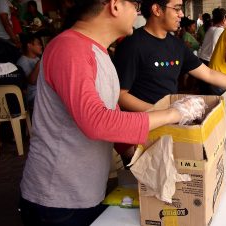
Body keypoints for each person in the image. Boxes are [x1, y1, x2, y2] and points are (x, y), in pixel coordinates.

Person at [19, 1, 206, 225]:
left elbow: (111, 114)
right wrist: (175, 113)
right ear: (115, 6)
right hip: (56, 199)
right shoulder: (69, 48)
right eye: (135, 4)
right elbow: (96, 121)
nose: (138, 11)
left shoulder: (99, 51)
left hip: (87, 190)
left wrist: (139, 158)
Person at [113, 0, 226, 112]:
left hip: (170, 122)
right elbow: (121, 96)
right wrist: (162, 113)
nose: (181, 14)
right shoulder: (132, 45)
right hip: (143, 126)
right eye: (176, 8)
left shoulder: (176, 44)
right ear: (157, 10)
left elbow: (208, 73)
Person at [17, 33, 43, 111]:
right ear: (29, 45)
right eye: (38, 44)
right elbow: (32, 81)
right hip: (33, 95)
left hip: (41, 93)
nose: (41, 46)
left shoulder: (36, 59)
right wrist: (39, 63)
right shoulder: (22, 61)